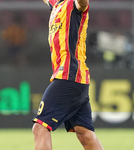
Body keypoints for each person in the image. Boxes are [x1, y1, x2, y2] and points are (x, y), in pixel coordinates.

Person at [32, 0, 104, 150]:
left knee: (40, 127)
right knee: (85, 133)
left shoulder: (74, 4)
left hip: (69, 76)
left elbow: (82, 3)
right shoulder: (57, 4)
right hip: (78, 78)